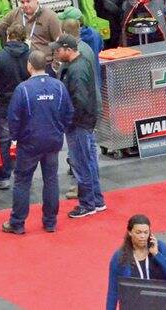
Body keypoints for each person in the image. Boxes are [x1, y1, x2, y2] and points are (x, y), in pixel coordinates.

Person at [3, 50, 73, 235]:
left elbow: (14, 118)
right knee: (51, 180)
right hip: (53, 141)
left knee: (22, 181)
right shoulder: (58, 86)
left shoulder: (23, 89)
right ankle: (50, 222)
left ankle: (17, 222)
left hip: (29, 143)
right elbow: (68, 112)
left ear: (29, 66)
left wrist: (16, 138)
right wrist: (59, 130)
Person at [52, 35, 105, 218]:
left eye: (58, 50)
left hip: (79, 124)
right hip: (85, 122)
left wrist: (68, 121)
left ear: (68, 49)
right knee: (89, 162)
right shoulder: (80, 64)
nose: (56, 54)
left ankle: (88, 204)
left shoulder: (76, 70)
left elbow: (79, 101)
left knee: (82, 164)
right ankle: (96, 200)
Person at [0, 23, 30, 190]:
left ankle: (3, 177)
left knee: (4, 140)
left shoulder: (0, 57)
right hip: (26, 103)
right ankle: (25, 174)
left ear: (8, 35)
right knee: (26, 138)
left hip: (6, 104)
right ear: (24, 37)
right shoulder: (31, 55)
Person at [106, 214, 166, 309]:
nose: (142, 236)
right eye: (138, 232)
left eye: (146, 232)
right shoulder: (119, 256)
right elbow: (113, 290)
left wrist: (156, 254)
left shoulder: (159, 247)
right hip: (134, 305)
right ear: (130, 232)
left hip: (160, 304)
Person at [59, 7, 104, 89]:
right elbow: (100, 48)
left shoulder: (74, 44)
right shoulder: (94, 34)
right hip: (96, 82)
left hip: (82, 86)